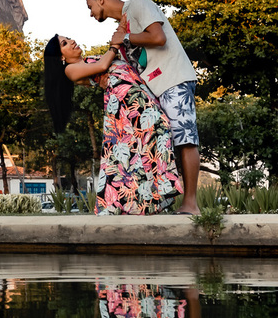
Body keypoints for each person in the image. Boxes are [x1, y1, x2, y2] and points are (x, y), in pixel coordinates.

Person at [84, 0, 200, 214]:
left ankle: (191, 204)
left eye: (90, 6)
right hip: (156, 89)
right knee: (168, 142)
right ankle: (169, 202)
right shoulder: (123, 27)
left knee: (185, 138)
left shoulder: (138, 4)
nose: (90, 13)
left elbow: (158, 38)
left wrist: (125, 38)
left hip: (173, 78)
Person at [43, 35, 183, 215]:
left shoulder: (91, 60)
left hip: (140, 99)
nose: (71, 41)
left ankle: (148, 202)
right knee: (150, 142)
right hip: (129, 104)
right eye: (64, 43)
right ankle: (148, 200)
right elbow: (102, 68)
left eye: (69, 38)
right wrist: (114, 45)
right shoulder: (70, 69)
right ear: (61, 57)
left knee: (139, 153)